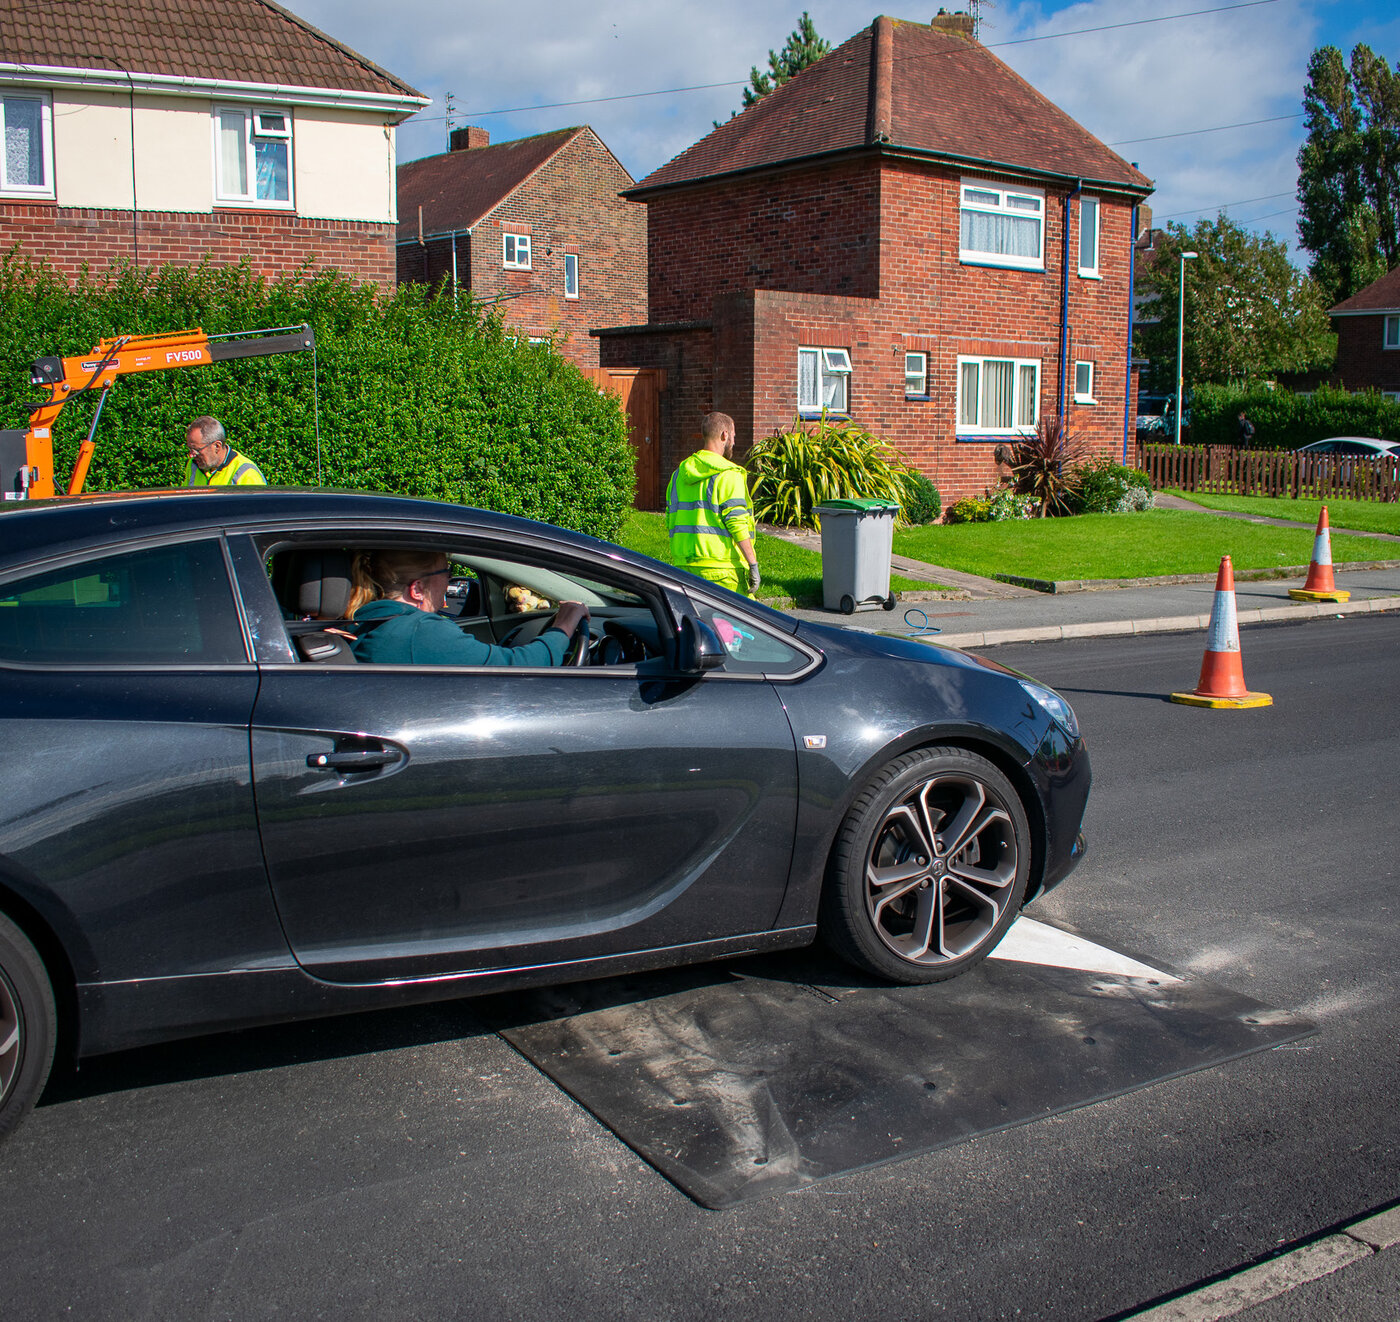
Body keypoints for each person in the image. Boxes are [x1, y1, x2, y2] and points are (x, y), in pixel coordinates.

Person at [347, 548, 588, 666]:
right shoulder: (419, 632)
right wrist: (564, 625)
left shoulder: (369, 622)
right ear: (418, 589)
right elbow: (519, 668)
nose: (450, 579)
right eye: (446, 571)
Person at [665, 411, 761, 597]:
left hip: (684, 565)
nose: (734, 441)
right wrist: (752, 564)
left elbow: (671, 517)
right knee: (737, 623)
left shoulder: (679, 474)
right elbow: (736, 523)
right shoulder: (729, 474)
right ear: (724, 435)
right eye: (733, 436)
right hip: (722, 569)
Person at [185, 416, 267, 487]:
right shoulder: (193, 465)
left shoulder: (246, 473)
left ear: (217, 446)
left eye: (197, 450)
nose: (191, 455)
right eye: (190, 449)